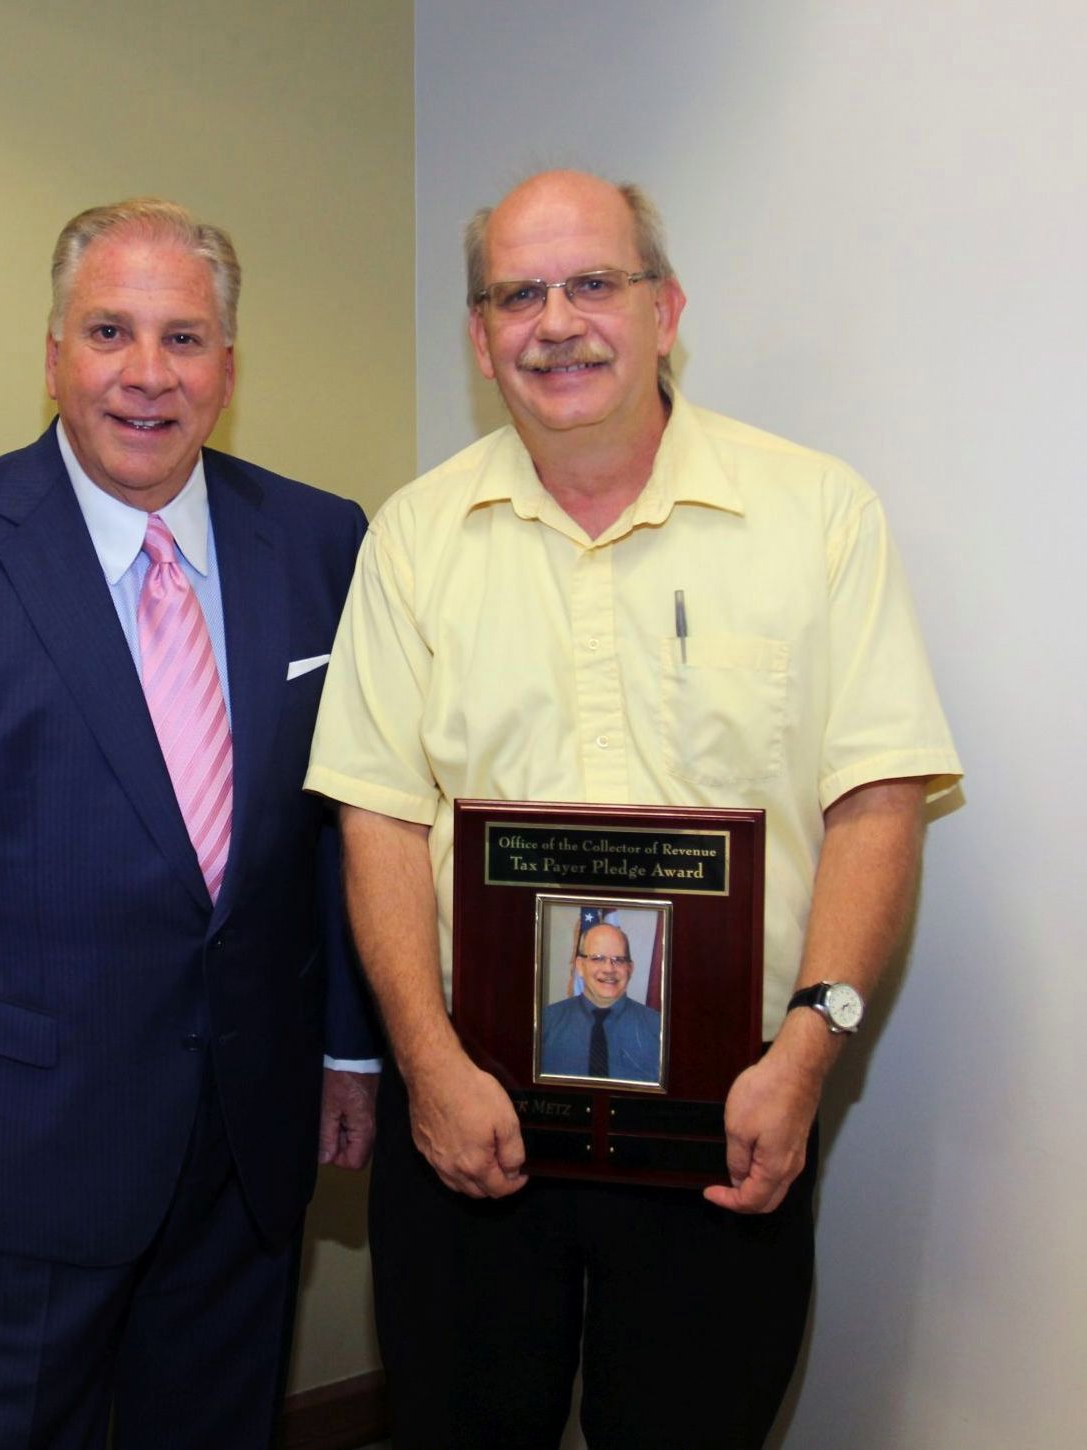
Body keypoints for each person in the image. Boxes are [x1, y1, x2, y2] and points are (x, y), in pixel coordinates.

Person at [305, 169, 961, 1448]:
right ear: (480, 333)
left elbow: (878, 798)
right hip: (471, 1117)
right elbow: (377, 815)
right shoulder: (414, 537)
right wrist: (427, 1067)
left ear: (665, 309)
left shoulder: (817, 517)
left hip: (734, 1116)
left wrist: (811, 1053)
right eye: (517, 294)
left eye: (593, 283)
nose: (556, 321)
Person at [0, 197, 379, 1450]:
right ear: (52, 351)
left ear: (228, 364)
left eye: (185, 337)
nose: (147, 374)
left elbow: (342, 821)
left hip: (250, 1134)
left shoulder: (325, 542)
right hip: (26, 1153)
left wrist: (350, 1047)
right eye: (110, 330)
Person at [540, 922, 660, 1081]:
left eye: (618, 959)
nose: (609, 969)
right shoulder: (545, 1023)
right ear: (580, 966)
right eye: (598, 958)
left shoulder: (658, 1028)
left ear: (630, 968)